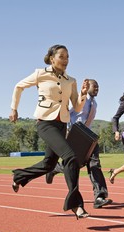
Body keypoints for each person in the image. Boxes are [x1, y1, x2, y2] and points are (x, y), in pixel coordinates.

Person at [9, 44, 90, 219]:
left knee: (49, 165)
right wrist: (14, 108)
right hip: (45, 123)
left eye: (68, 57)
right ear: (52, 58)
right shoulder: (41, 74)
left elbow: (76, 107)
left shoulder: (71, 81)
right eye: (62, 56)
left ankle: (19, 176)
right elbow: (19, 86)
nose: (66, 60)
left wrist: (83, 95)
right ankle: (76, 205)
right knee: (70, 157)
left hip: (62, 124)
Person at [45, 79, 113, 209]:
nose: (97, 88)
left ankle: (99, 196)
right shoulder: (79, 101)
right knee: (75, 165)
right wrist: (66, 131)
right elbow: (65, 113)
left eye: (98, 86)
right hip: (75, 136)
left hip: (88, 137)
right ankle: (55, 168)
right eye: (95, 86)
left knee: (95, 164)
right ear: (87, 87)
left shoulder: (95, 103)